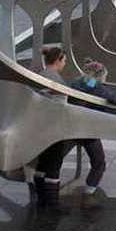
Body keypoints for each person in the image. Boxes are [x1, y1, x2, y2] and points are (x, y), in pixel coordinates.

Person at [67, 59, 116, 208]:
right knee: (99, 162)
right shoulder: (93, 84)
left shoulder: (76, 82)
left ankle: (43, 187)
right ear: (99, 75)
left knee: (55, 159)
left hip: (69, 127)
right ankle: (88, 194)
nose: (105, 79)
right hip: (87, 130)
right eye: (104, 77)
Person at [27, 47, 71, 208]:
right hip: (55, 129)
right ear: (58, 59)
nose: (64, 64)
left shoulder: (41, 75)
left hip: (40, 127)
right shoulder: (55, 79)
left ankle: (41, 199)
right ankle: (53, 204)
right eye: (64, 61)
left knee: (42, 164)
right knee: (53, 165)